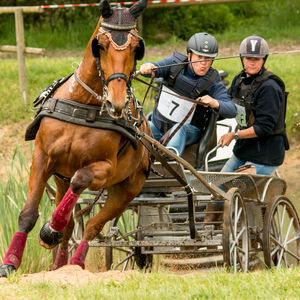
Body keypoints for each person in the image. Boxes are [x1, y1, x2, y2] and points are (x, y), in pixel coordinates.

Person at [140, 32, 237, 156]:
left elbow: (232, 110)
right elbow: (154, 69)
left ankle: (170, 160)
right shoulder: (174, 63)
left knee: (179, 130)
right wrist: (147, 66)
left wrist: (214, 102)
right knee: (140, 128)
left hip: (189, 131)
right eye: (199, 57)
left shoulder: (213, 80)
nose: (203, 63)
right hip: (158, 127)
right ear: (189, 55)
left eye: (208, 58)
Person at [219, 34, 289, 175]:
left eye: (256, 59)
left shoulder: (270, 87)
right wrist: (213, 104)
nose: (252, 63)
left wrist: (234, 135)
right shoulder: (239, 80)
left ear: (264, 59)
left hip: (266, 155)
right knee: (216, 187)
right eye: (248, 58)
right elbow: (227, 104)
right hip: (243, 150)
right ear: (242, 58)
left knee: (234, 190)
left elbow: (264, 127)